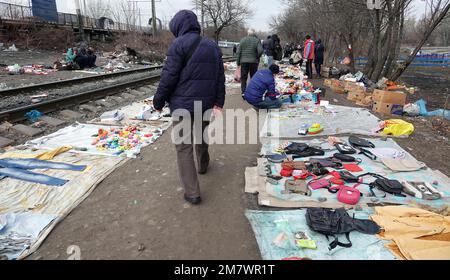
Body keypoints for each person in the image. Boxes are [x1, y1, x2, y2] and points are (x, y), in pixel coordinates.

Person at [153, 10, 225, 205]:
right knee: (201, 135)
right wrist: (219, 102)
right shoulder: (212, 46)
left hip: (182, 105)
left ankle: (192, 192)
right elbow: (220, 78)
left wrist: (158, 102)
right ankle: (203, 165)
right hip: (205, 103)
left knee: (184, 147)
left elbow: (168, 77)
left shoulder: (178, 45)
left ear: (178, 27)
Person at [236, 29, 264, 98]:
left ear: (248, 33)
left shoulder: (242, 40)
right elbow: (260, 50)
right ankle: (252, 92)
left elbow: (238, 52)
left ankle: (243, 93)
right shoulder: (257, 40)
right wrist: (257, 57)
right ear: (254, 34)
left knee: (243, 78)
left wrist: (238, 62)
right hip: (254, 62)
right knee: (253, 77)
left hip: (244, 62)